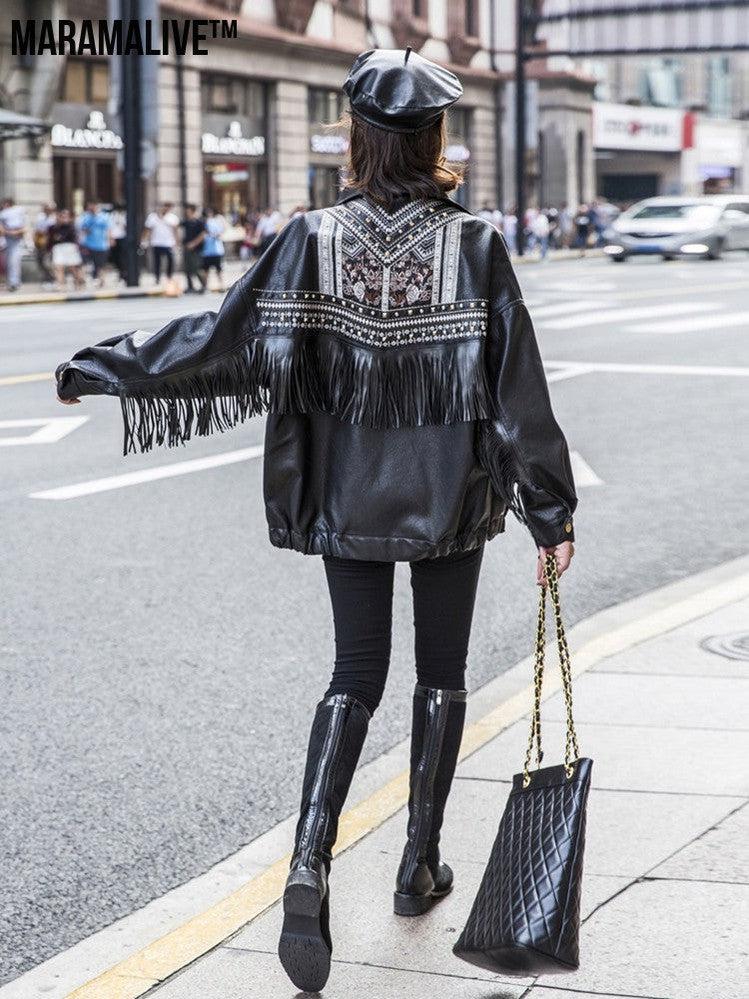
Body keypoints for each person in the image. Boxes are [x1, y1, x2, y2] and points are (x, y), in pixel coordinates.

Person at [55, 48, 576, 995]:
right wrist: (549, 511)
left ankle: (308, 860)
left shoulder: (309, 236)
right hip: (449, 496)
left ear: (358, 140)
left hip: (346, 493)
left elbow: (220, 334)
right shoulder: (475, 245)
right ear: (434, 141)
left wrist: (109, 364)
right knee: (441, 674)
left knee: (352, 673)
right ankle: (418, 863)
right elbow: (517, 397)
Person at [143, 202, 179, 283]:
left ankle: (169, 276)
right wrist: (144, 240)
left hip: (169, 243)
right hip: (156, 242)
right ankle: (157, 277)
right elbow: (147, 230)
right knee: (157, 262)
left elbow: (175, 231)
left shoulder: (173, 218)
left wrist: (177, 243)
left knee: (170, 260)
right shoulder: (152, 217)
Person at [48, 208, 84, 289]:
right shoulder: (54, 227)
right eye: (62, 216)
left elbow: (73, 237)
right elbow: (51, 239)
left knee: (73, 267)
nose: (63, 218)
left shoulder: (72, 226)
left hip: (70, 247)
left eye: (65, 216)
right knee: (58, 267)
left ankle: (78, 283)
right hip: (58, 248)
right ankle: (60, 285)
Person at [78, 202, 111, 287]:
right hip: (88, 245)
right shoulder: (85, 217)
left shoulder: (104, 217)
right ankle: (83, 281)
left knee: (101, 264)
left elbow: (108, 229)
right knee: (85, 264)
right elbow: (82, 230)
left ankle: (101, 281)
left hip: (102, 245)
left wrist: (110, 240)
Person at [0, 197, 27, 292]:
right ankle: (11, 282)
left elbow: (23, 228)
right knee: (7, 263)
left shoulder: (16, 211)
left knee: (13, 262)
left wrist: (12, 232)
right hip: (6, 240)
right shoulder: (4, 213)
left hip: (15, 241)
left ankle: (14, 283)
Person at [180, 203, 206, 293]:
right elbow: (176, 226)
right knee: (187, 268)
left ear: (192, 211)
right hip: (187, 248)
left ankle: (203, 286)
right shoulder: (186, 222)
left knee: (197, 268)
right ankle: (190, 286)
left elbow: (203, 235)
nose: (186, 212)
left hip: (196, 249)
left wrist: (193, 244)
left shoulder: (199, 222)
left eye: (188, 211)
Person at [200, 207, 226, 292]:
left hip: (216, 250)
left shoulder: (216, 221)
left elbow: (221, 232)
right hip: (206, 251)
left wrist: (213, 234)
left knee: (218, 270)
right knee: (205, 270)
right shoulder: (203, 222)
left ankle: (222, 286)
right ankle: (205, 286)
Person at [33, 203, 56, 286]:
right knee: (40, 262)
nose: (47, 210)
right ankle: (46, 278)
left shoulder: (54, 218)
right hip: (40, 243)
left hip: (50, 244)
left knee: (48, 262)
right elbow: (36, 230)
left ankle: (52, 279)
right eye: (46, 208)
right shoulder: (40, 217)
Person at [109, 204, 127, 281]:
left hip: (122, 237)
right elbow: (110, 227)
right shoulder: (112, 216)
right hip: (114, 237)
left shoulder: (124, 215)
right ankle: (120, 271)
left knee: (122, 256)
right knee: (115, 256)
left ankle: (123, 272)